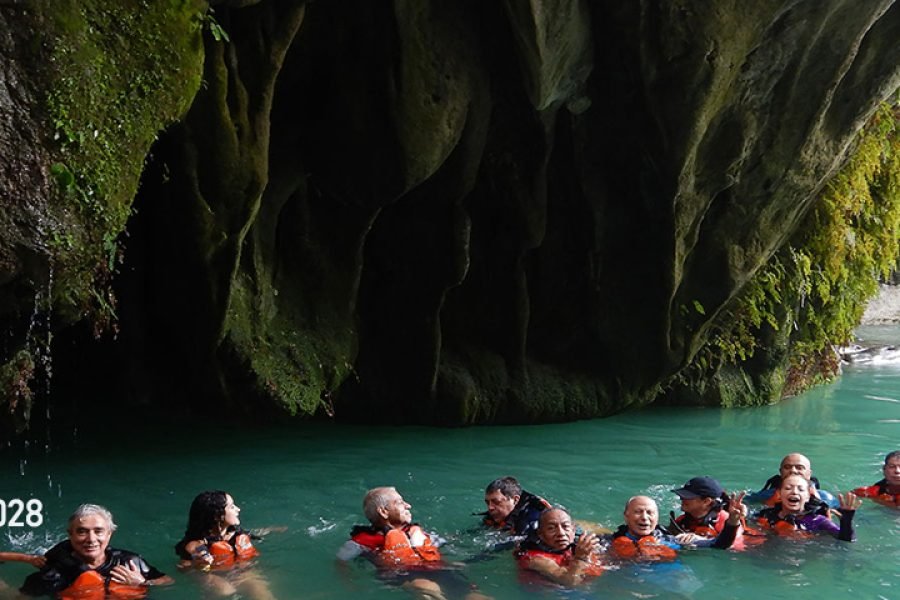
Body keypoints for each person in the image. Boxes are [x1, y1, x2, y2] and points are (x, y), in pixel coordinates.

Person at [337, 486, 488, 600]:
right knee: (425, 587)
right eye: (400, 502)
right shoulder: (363, 541)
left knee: (477, 598)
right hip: (404, 577)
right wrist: (350, 583)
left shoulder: (419, 533)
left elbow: (448, 544)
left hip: (442, 572)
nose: (408, 505)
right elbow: (340, 560)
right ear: (384, 512)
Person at [19, 503, 172, 597]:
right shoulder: (55, 574)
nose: (91, 539)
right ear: (70, 535)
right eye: (82, 532)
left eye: (98, 531)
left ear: (109, 534)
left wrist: (143, 582)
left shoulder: (130, 562)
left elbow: (168, 581)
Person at [174, 490, 274, 600]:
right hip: (209, 574)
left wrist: (272, 530)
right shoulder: (196, 544)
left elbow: (253, 534)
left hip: (238, 571)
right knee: (225, 591)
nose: (238, 509)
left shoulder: (236, 533)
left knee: (257, 587)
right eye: (232, 507)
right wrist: (198, 561)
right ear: (217, 516)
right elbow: (184, 565)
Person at [608, 495, 742, 561]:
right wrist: (585, 555)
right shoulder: (608, 543)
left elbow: (719, 544)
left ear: (657, 517)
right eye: (638, 512)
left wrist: (733, 521)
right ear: (626, 516)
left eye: (650, 513)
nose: (644, 518)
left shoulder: (672, 539)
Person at [514, 507, 604, 587]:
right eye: (551, 528)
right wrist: (580, 558)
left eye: (565, 526)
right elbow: (570, 582)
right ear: (540, 534)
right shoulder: (536, 559)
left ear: (573, 530)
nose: (561, 533)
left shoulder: (578, 545)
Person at [755, 474, 860, 541]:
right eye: (788, 488)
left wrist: (846, 522)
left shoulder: (818, 521)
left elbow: (846, 540)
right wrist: (738, 521)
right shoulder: (765, 515)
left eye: (800, 489)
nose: (794, 491)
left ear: (808, 496)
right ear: (779, 494)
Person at [667, 477, 748, 549]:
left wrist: (698, 540)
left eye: (687, 496)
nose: (681, 498)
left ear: (706, 501)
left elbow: (734, 546)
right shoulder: (682, 520)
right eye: (682, 495)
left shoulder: (723, 519)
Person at [748, 453, 835, 512]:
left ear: (809, 474)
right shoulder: (766, 496)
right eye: (787, 467)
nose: (793, 471)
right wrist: (767, 506)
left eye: (799, 467)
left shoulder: (826, 498)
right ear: (781, 472)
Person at [479, 477, 550, 536]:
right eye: (487, 502)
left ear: (515, 500)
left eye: (496, 502)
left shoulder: (531, 518)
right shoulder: (495, 514)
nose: (490, 507)